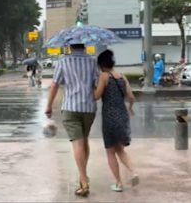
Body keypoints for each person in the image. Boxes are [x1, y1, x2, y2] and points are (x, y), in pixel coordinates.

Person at [45, 43, 99, 197]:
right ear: (83, 47)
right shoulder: (91, 62)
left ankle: (83, 181)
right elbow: (97, 85)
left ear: (70, 47)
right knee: (84, 140)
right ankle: (84, 174)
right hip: (89, 107)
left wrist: (49, 106)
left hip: (71, 107)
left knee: (77, 142)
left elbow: (55, 85)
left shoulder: (63, 62)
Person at [94, 50, 139, 192]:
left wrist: (91, 88)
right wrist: (130, 108)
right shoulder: (121, 76)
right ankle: (133, 172)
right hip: (122, 114)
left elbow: (96, 95)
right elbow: (131, 96)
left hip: (110, 116)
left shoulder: (104, 76)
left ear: (101, 64)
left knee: (110, 151)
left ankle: (119, 183)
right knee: (121, 149)